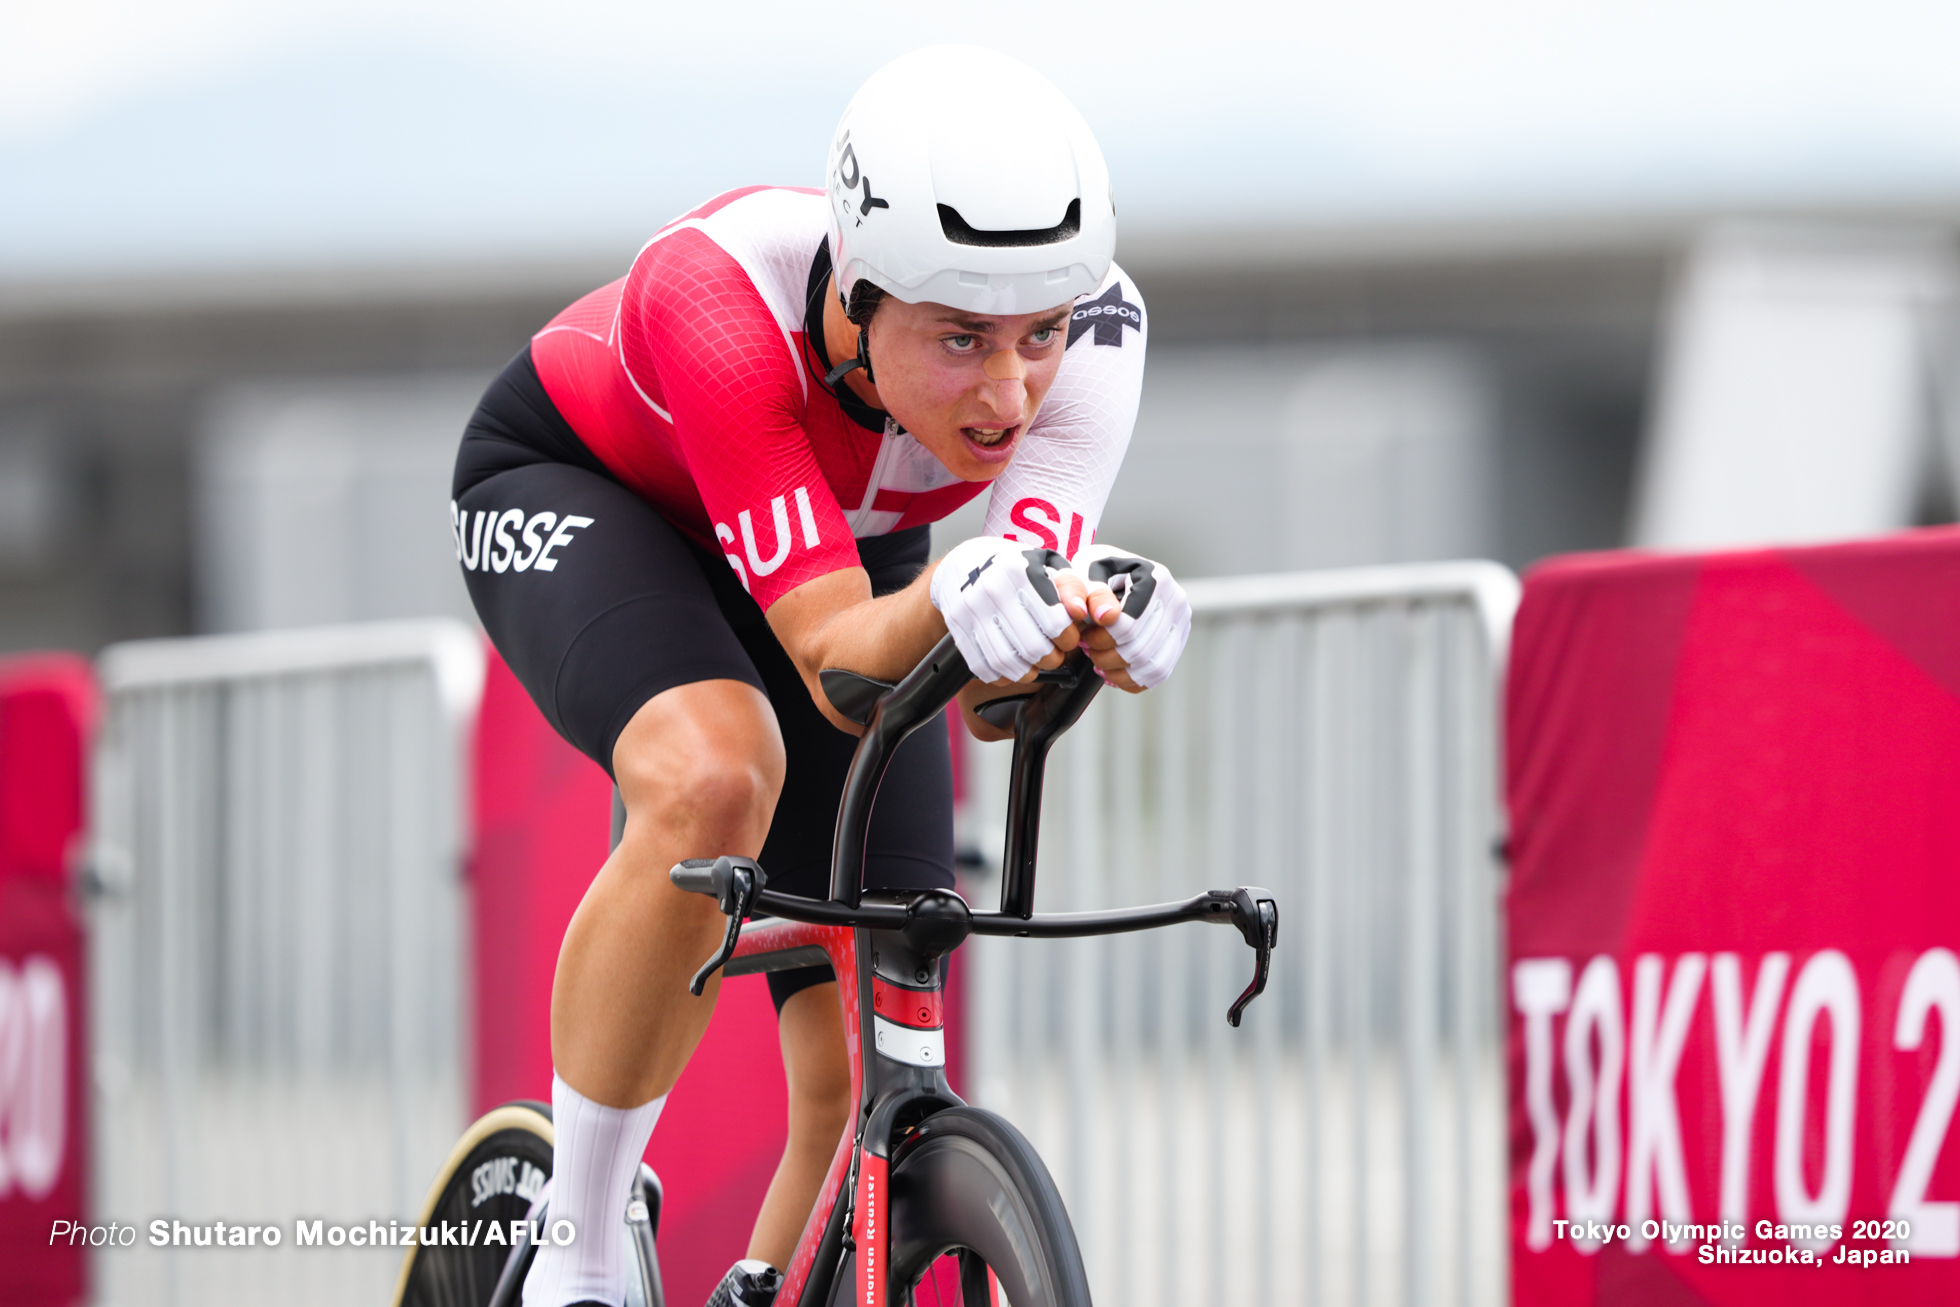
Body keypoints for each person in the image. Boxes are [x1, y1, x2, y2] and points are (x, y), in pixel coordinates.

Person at [449, 45, 1191, 1307]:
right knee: (714, 771)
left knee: (874, 1025)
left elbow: (993, 700)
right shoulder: (720, 301)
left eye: (1037, 337)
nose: (1010, 393)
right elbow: (839, 666)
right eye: (960, 338)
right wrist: (954, 595)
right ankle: (572, 1258)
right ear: (853, 292)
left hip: (842, 546)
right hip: (595, 491)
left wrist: (1092, 639)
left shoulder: (1099, 336)